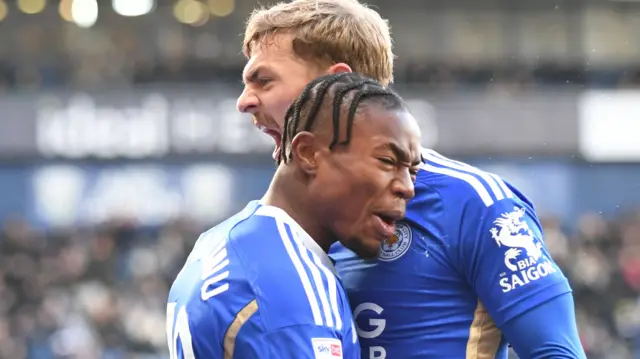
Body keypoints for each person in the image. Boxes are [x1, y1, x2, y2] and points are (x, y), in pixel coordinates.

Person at [236, 0, 587, 358]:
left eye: (264, 81)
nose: (244, 101)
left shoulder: (474, 204)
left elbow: (557, 352)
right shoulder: (271, 228)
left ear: (333, 81)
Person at [167, 72, 422, 359]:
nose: (408, 188)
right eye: (387, 161)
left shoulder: (218, 242)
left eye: (412, 171)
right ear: (308, 153)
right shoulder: (294, 292)